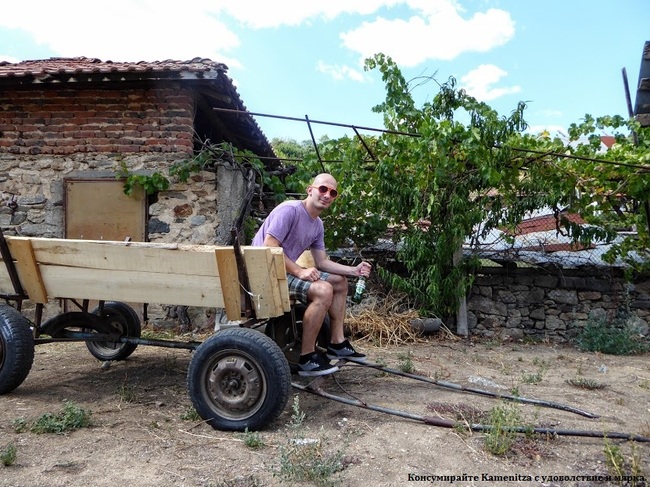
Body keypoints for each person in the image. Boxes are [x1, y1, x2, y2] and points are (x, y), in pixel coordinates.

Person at [252, 173, 372, 376]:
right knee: (323, 289)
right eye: (322, 189)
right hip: (263, 272)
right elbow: (269, 248)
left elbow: (322, 262)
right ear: (310, 190)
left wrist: (353, 270)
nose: (327, 195)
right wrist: (300, 271)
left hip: (281, 271)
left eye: (332, 193)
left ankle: (337, 342)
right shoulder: (289, 210)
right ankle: (307, 357)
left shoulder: (317, 225)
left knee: (339, 282)